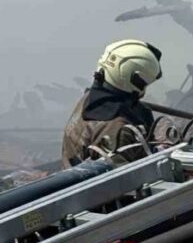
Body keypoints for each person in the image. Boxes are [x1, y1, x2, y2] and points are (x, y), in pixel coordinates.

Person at [61, 39, 163, 167]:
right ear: (133, 80)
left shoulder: (91, 99)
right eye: (144, 84)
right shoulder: (117, 127)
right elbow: (123, 181)